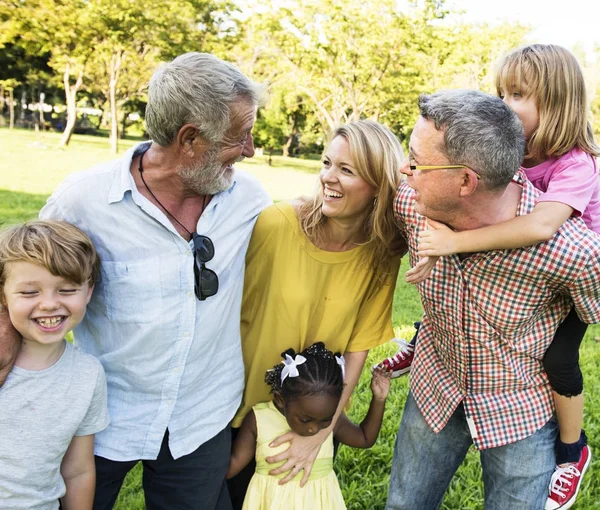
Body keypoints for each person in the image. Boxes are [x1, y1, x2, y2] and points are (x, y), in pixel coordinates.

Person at [18, 53, 270, 509]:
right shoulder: (85, 200)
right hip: (102, 414)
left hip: (203, 411)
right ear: (189, 139)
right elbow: (22, 275)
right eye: (240, 136)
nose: (250, 149)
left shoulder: (250, 199)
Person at [398, 45, 599, 510]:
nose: (503, 105)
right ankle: (422, 338)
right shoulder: (511, 155)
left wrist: (453, 243)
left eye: (518, 95)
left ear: (558, 103)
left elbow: (541, 225)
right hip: (438, 384)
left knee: (562, 360)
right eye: (501, 93)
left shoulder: (576, 165)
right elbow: (465, 192)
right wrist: (435, 235)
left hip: (531, 379)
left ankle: (572, 451)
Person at [227, 120, 405, 507]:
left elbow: (357, 349)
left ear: (378, 186)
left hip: (311, 416)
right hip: (239, 413)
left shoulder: (381, 255)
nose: (328, 177)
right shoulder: (276, 224)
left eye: (346, 170)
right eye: (327, 163)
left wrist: (320, 433)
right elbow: (228, 311)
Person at [0, 220, 109, 509]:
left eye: (67, 290)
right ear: (3, 295)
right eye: (29, 292)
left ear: (88, 292)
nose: (49, 304)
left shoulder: (87, 375)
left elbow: (78, 470)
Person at [227, 342, 392, 510]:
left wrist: (379, 400)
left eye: (326, 420)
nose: (314, 429)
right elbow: (232, 464)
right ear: (280, 399)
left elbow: (365, 438)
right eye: (306, 420)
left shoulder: (332, 420)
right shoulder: (259, 419)